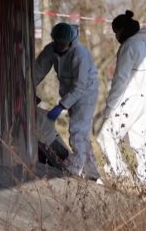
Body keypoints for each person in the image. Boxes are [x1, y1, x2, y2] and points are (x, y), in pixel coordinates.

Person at [97, 10, 146, 187]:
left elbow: (120, 80)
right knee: (141, 142)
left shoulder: (128, 47)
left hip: (131, 99)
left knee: (106, 135)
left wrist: (110, 107)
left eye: (116, 32)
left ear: (122, 30)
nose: (116, 36)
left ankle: (121, 176)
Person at [34, 22, 100, 180]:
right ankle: (92, 173)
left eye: (62, 43)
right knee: (82, 133)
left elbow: (80, 86)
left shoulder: (80, 54)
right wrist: (27, 89)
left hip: (86, 93)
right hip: (69, 91)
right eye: (56, 42)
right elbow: (37, 70)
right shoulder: (51, 49)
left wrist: (61, 106)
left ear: (70, 41)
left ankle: (73, 170)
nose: (59, 46)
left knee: (77, 130)